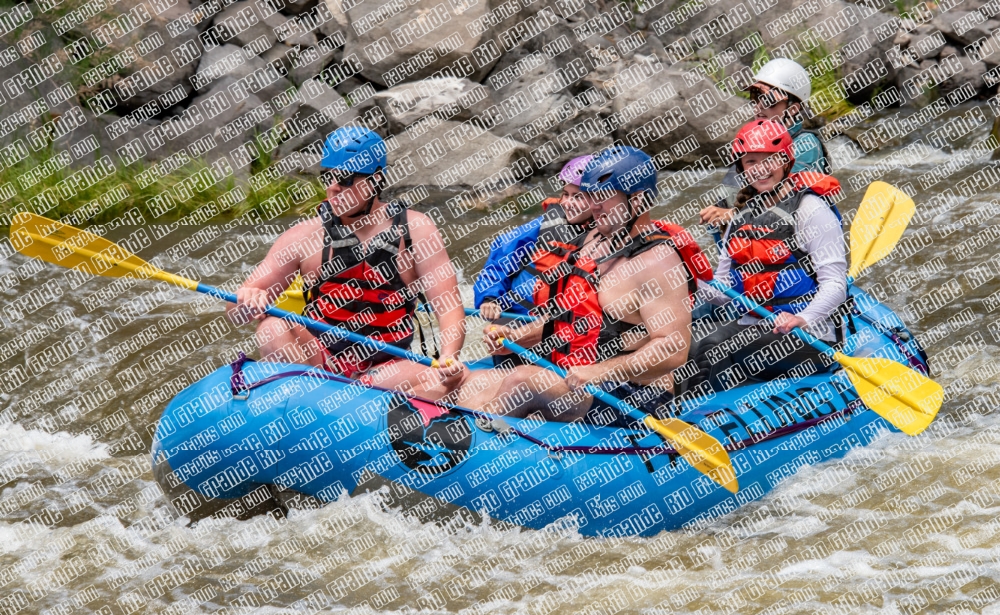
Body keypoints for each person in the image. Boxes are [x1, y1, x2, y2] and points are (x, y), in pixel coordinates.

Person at [457, 146, 714, 426]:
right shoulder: (591, 242)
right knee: (475, 382)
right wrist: (516, 338)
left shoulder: (657, 262)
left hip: (633, 394)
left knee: (524, 380)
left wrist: (599, 372)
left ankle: (484, 448)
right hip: (577, 380)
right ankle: (468, 446)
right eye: (591, 195)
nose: (594, 205)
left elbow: (672, 349)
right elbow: (571, 319)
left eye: (603, 197)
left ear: (637, 200)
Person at [225, 126, 467, 400]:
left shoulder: (416, 230)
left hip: (387, 367)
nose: (332, 187)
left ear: (375, 180)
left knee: (449, 380)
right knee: (271, 327)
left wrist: (449, 357)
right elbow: (234, 313)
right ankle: (300, 406)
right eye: (327, 176)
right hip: (320, 360)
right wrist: (246, 299)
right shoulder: (304, 236)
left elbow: (448, 306)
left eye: (345, 179)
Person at [691, 119, 846, 392]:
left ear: (787, 161)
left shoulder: (810, 209)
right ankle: (688, 415)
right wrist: (692, 281)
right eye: (751, 162)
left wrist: (803, 318)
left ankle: (710, 419)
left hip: (810, 336)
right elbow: (724, 290)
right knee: (688, 340)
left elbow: (835, 284)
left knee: (713, 344)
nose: (760, 169)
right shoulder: (740, 216)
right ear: (741, 167)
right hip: (754, 327)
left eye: (770, 160)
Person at [700, 58, 831, 231]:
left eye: (769, 101)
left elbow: (790, 205)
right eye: (755, 97)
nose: (758, 107)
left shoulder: (806, 145)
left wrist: (732, 216)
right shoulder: (750, 143)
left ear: (792, 109)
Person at [473, 155, 596, 321]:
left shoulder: (608, 234)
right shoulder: (545, 224)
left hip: (559, 322)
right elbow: (501, 256)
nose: (567, 203)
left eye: (578, 196)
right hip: (515, 315)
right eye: (566, 194)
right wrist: (490, 298)